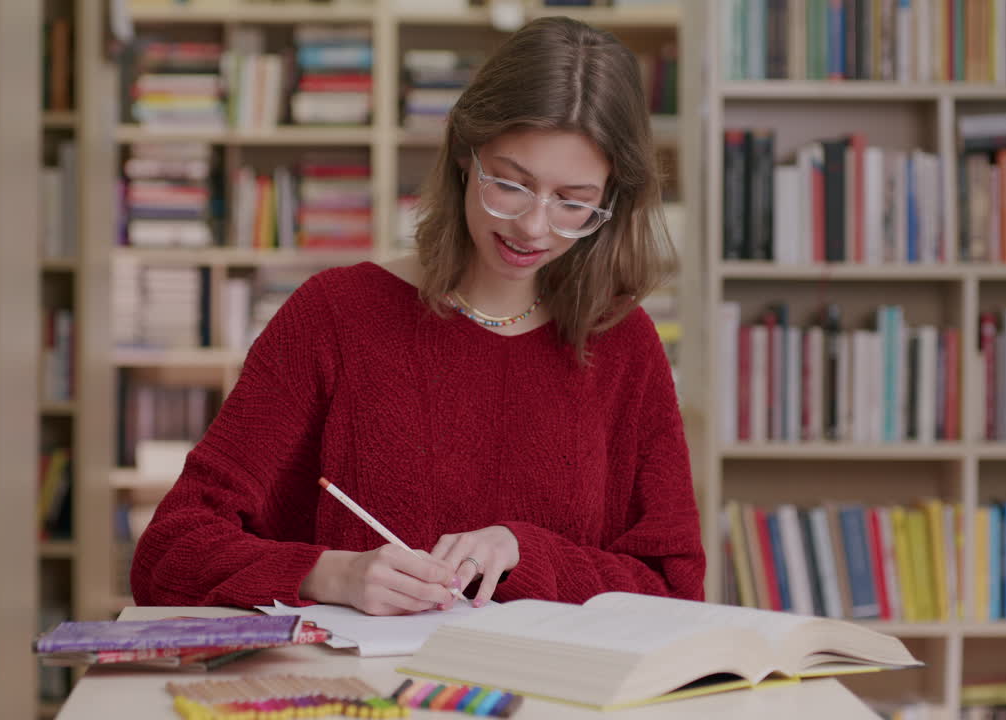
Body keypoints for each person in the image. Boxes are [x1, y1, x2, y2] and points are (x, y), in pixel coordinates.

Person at [130, 15, 704, 617]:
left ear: (610, 200)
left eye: (573, 202)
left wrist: (524, 553)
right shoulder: (332, 318)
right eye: (509, 184)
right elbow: (170, 553)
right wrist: (331, 573)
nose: (534, 227)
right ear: (464, 152)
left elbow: (674, 587)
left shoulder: (623, 343)